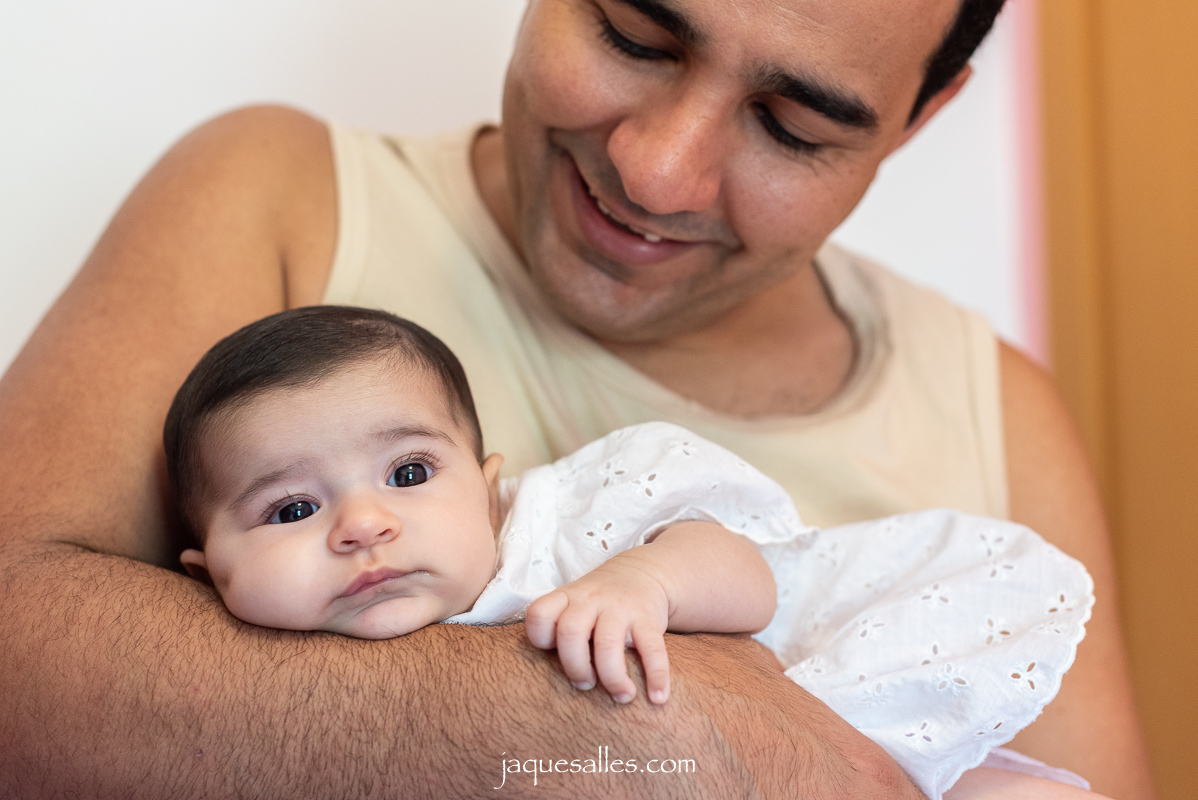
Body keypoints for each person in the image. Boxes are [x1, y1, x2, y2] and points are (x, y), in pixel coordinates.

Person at [0, 0, 1154, 798]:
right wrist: (618, 732)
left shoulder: (993, 415)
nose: (656, 170)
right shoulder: (284, 199)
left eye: (790, 127)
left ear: (921, 115)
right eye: (633, 34)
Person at [169, 306, 1095, 800]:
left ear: (488, 486)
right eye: (291, 506)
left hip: (846, 686)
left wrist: (644, 580)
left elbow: (752, 580)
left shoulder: (573, 517)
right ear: (206, 572)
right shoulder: (260, 710)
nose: (363, 525)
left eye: (409, 472)